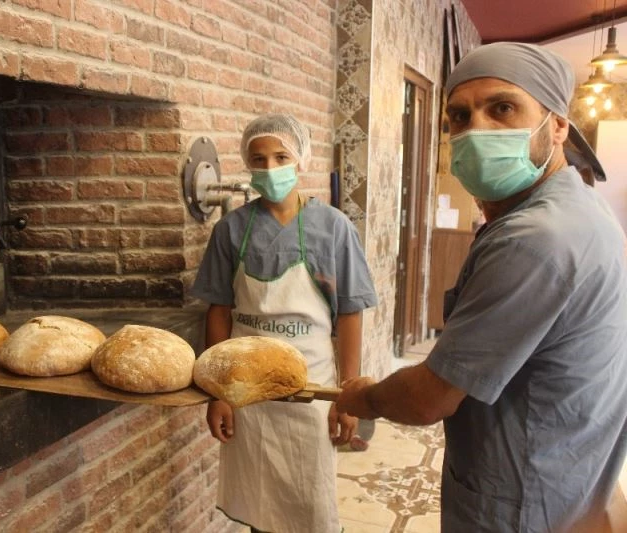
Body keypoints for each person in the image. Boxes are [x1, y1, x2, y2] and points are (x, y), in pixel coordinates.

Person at [337, 42, 627, 533]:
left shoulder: (535, 241)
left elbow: (428, 398)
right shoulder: (577, 206)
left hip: (521, 503)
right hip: (563, 480)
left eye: (503, 108)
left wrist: (361, 396)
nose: (477, 130)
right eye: (460, 116)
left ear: (558, 125)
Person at [191, 113, 377, 533]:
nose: (270, 168)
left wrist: (345, 394)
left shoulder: (334, 228)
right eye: (259, 159)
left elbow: (349, 313)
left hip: (311, 390)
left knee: (310, 503)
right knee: (259, 504)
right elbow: (218, 311)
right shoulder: (231, 230)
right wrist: (217, 394)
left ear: (302, 160)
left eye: (281, 156)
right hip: (247, 396)